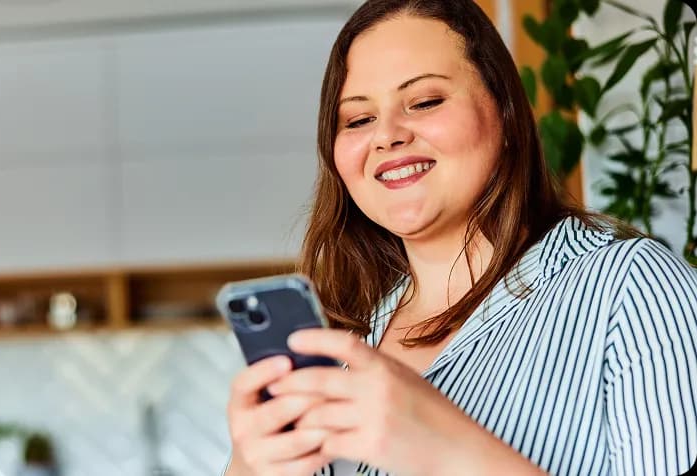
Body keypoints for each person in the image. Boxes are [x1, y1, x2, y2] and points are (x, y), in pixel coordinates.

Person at [223, 0, 697, 475]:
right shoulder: (345, 338)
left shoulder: (634, 286)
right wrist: (248, 465)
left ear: (507, 115)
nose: (386, 135)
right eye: (358, 120)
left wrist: (442, 448)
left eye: (425, 101)